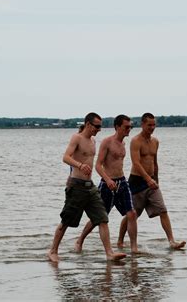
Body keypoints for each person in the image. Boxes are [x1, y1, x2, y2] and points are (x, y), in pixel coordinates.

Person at [48, 112, 127, 263]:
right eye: (97, 126)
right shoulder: (77, 138)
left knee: (102, 218)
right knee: (66, 220)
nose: (99, 129)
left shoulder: (93, 142)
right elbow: (66, 157)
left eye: (101, 127)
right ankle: (53, 251)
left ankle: (109, 253)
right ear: (88, 124)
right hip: (76, 186)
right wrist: (79, 165)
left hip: (90, 187)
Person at [118, 113, 186, 250]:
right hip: (137, 182)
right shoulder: (136, 141)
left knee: (163, 210)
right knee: (133, 215)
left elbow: (155, 163)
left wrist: (156, 180)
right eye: (149, 125)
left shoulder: (155, 141)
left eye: (154, 124)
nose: (152, 127)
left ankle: (172, 241)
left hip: (152, 182)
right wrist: (148, 179)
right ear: (142, 124)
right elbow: (136, 163)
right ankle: (120, 240)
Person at [75, 115, 139, 253]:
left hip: (122, 182)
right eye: (126, 127)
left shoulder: (123, 144)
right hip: (107, 183)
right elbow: (98, 165)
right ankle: (80, 240)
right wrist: (108, 180)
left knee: (132, 213)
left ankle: (134, 247)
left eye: (130, 127)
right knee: (98, 217)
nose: (129, 129)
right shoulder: (107, 142)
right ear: (117, 127)